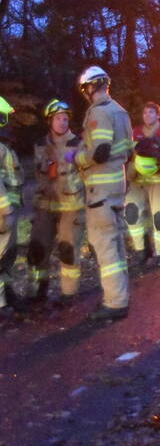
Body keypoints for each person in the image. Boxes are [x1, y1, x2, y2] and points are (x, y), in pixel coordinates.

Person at [72, 65, 133, 320]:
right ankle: (119, 296)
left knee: (105, 247)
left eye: (85, 88)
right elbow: (128, 151)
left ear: (90, 87)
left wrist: (77, 157)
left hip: (100, 193)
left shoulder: (98, 112)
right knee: (116, 246)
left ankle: (115, 303)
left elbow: (100, 151)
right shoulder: (120, 111)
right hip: (117, 189)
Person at [27, 99, 85, 303]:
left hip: (71, 207)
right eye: (59, 118)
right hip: (45, 206)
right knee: (37, 248)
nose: (63, 122)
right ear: (50, 121)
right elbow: (38, 175)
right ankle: (38, 290)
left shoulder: (78, 144)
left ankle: (68, 293)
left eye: (65, 119)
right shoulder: (41, 145)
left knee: (67, 249)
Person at [125, 101, 160, 268]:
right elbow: (126, 153)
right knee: (132, 214)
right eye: (145, 113)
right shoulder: (134, 133)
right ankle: (142, 251)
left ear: (158, 115)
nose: (147, 116)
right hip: (137, 181)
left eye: (151, 113)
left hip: (159, 181)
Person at [0, 95, 26, 314]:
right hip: (3, 212)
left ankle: (7, 295)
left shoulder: (4, 146)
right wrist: (7, 210)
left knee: (7, 256)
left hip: (9, 211)